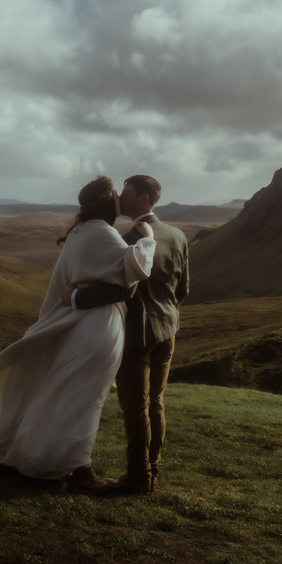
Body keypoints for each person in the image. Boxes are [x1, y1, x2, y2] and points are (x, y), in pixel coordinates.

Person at [0, 176, 155, 494]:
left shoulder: (79, 232)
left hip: (81, 324)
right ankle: (80, 474)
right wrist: (147, 237)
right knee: (86, 400)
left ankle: (50, 459)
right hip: (100, 326)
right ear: (109, 205)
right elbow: (132, 274)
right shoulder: (103, 234)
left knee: (68, 395)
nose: (122, 198)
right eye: (118, 196)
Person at [60, 175, 189, 494]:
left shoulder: (128, 239)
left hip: (136, 336)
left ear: (144, 199)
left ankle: (138, 478)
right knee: (156, 403)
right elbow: (183, 289)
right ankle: (151, 470)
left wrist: (76, 298)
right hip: (168, 330)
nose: (119, 196)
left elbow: (122, 291)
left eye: (127, 193)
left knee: (135, 407)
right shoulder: (177, 235)